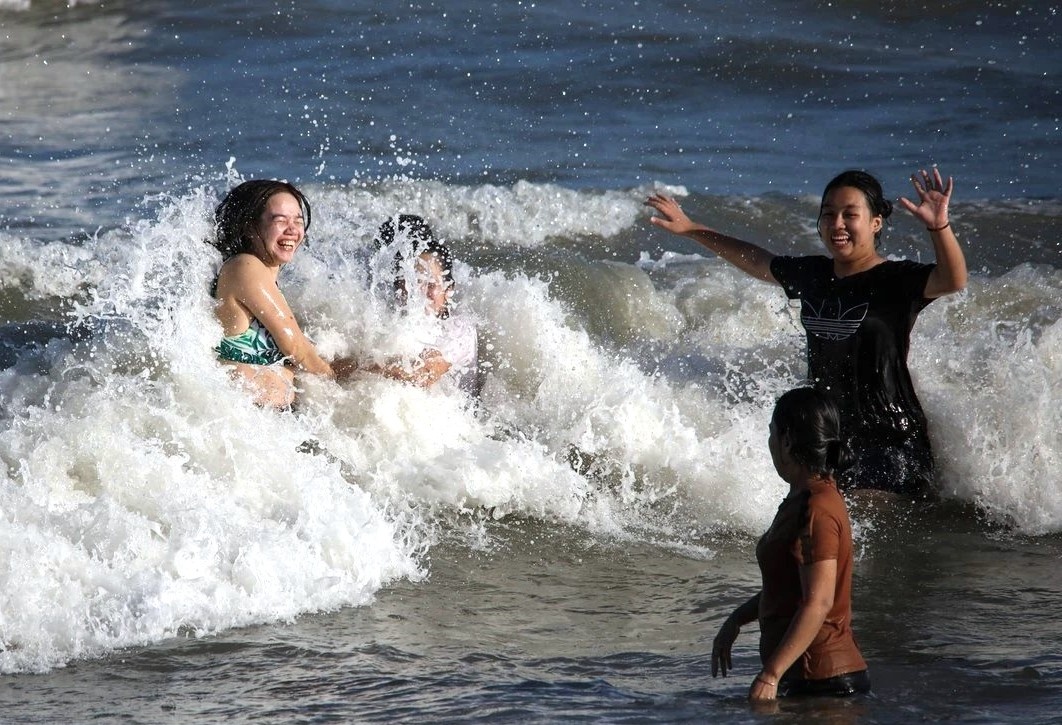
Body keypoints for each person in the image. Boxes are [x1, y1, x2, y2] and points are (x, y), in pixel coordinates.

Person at [645, 167, 967, 496]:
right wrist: (692, 229)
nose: (837, 224)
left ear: (875, 222)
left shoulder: (896, 280)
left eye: (849, 214)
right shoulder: (814, 274)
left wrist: (938, 226)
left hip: (891, 437)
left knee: (857, 518)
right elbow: (757, 260)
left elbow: (953, 279)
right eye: (828, 214)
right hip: (829, 434)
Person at [712, 387, 869, 701]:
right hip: (809, 680)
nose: (769, 443)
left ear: (786, 441)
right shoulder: (803, 498)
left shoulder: (817, 509)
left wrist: (770, 675)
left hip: (823, 684)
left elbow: (818, 602)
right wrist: (736, 619)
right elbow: (789, 588)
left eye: (771, 433)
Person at [211, 179, 355, 409]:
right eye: (280, 221)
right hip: (251, 420)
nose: (293, 230)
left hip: (272, 424)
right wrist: (343, 385)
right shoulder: (244, 266)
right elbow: (296, 347)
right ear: (249, 226)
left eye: (298, 221)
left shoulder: (262, 278)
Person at [362, 214, 479, 397]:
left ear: (449, 290)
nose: (419, 293)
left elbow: (423, 374)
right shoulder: (387, 320)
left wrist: (366, 366)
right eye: (410, 283)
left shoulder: (459, 329)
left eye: (431, 285)